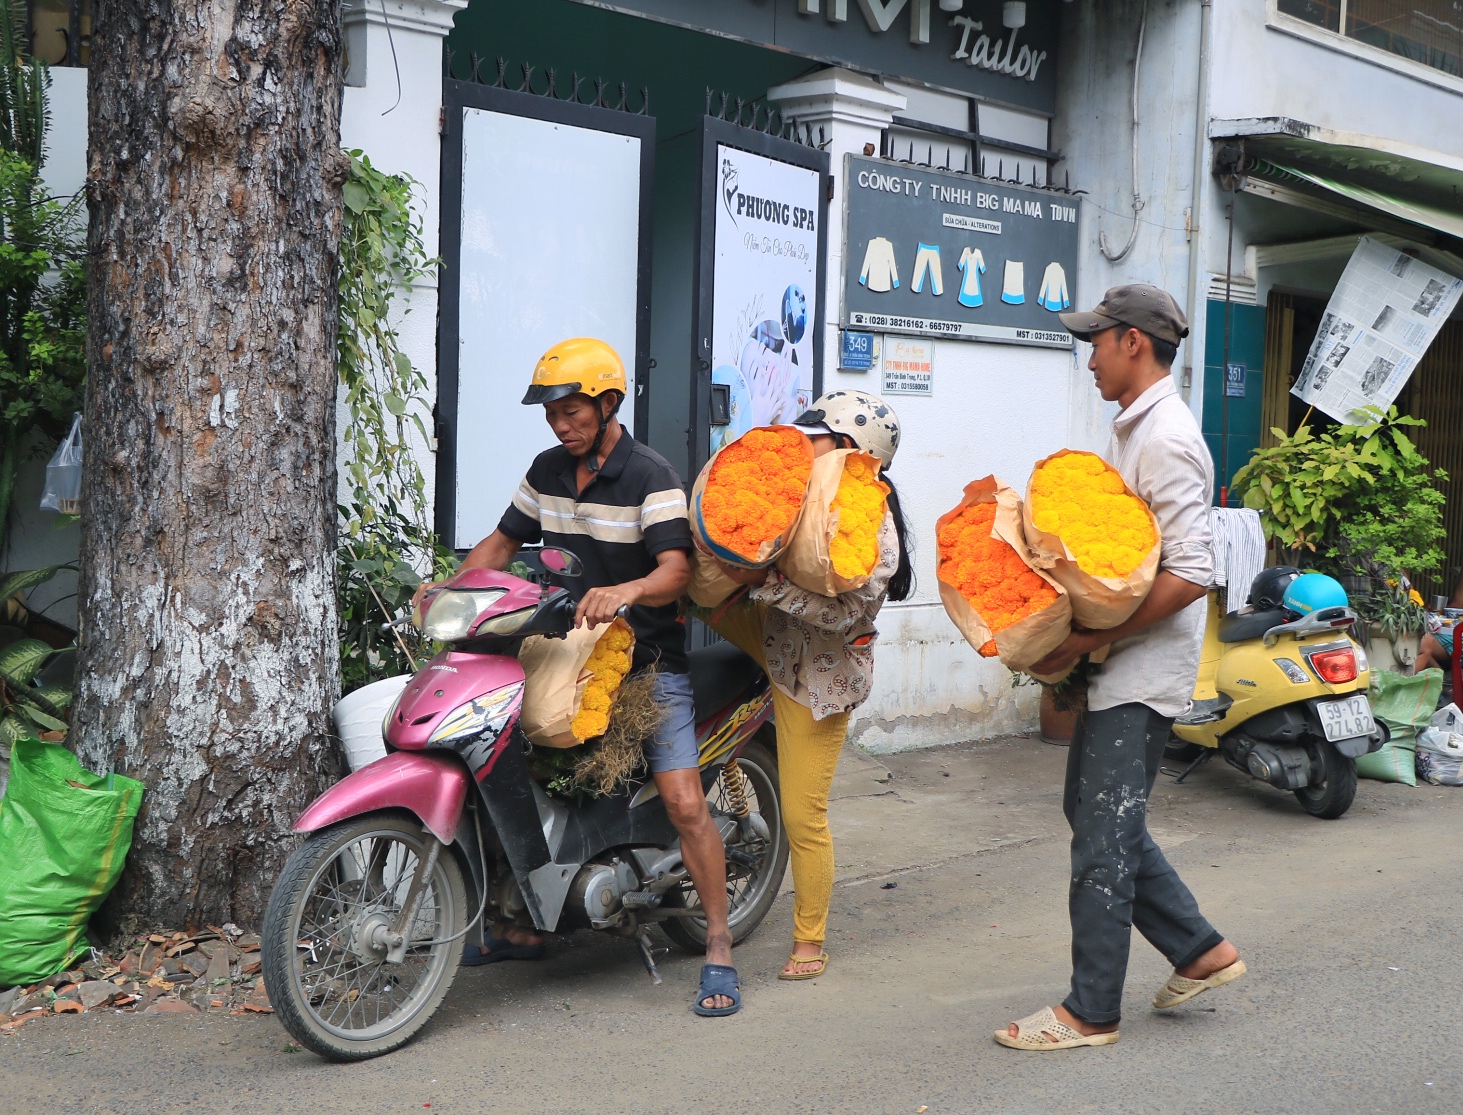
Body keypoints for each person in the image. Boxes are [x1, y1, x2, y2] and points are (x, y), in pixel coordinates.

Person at [417, 337, 742, 1017]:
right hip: (570, 657)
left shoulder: (650, 475)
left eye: (572, 410)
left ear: (608, 403)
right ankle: (528, 922)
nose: (561, 423)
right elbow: (502, 542)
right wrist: (451, 587)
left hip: (648, 666)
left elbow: (675, 570)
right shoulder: (547, 471)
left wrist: (625, 590)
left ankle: (717, 943)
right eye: (552, 413)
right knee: (504, 769)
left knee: (684, 802)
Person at [996, 285, 1244, 1051]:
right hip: (1121, 664)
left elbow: (1191, 572)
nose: (1090, 356)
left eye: (1096, 341)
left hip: (1140, 671)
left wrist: (1088, 643)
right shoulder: (1137, 429)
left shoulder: (1166, 437)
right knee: (1096, 813)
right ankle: (1201, 949)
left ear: (1132, 342)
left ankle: (1091, 1009)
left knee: (1102, 836)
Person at [706, 390, 914, 981]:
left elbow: (844, 616)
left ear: (850, 450)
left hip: (817, 679)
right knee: (692, 585)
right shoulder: (802, 494)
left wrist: (761, 583)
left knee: (804, 816)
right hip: (770, 635)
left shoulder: (876, 532)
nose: (803, 444)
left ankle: (809, 942)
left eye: (816, 437)